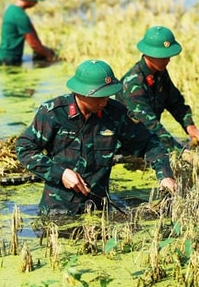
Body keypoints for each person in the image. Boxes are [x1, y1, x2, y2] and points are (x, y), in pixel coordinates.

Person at [16, 59, 177, 215]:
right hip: (58, 211)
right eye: (101, 96)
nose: (106, 101)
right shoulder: (53, 113)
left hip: (99, 211)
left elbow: (149, 142)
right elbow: (24, 149)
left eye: (108, 95)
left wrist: (164, 175)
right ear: (82, 93)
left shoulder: (115, 114)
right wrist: (61, 173)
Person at [115, 26, 199, 153]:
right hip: (127, 148)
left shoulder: (159, 73)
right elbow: (150, 125)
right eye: (162, 56)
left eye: (168, 55)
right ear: (148, 54)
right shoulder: (133, 84)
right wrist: (180, 152)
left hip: (150, 141)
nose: (168, 60)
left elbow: (176, 103)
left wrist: (191, 128)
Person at [0, 0, 55, 66]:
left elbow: (33, 35)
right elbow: (34, 44)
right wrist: (49, 55)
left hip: (2, 58)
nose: (36, 3)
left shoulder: (11, 9)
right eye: (35, 0)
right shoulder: (20, 16)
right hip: (9, 61)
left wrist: (45, 49)